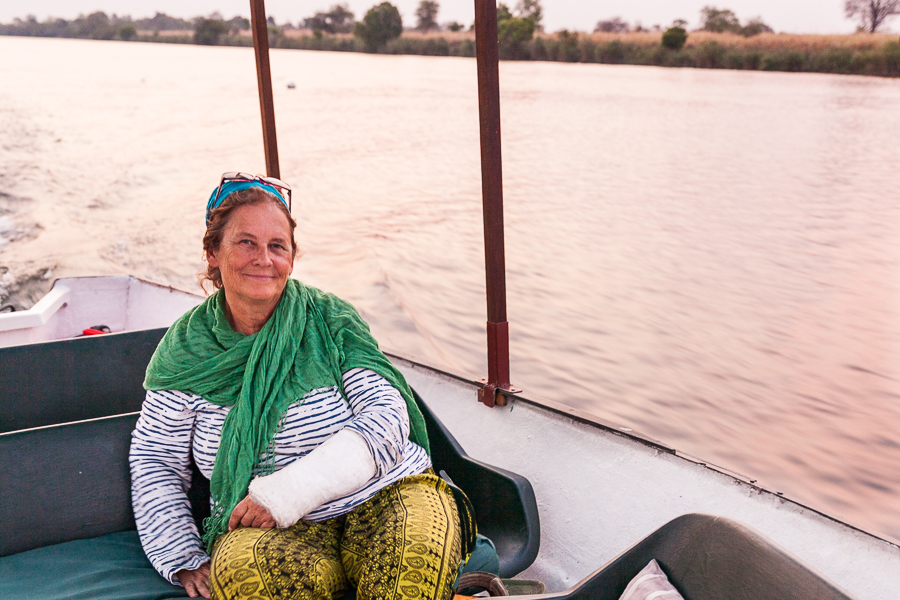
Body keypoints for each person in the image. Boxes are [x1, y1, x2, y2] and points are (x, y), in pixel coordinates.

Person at [130, 173, 463, 600]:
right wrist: (184, 556)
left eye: (276, 246)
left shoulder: (329, 319)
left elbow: (387, 416)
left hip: (387, 493)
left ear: (292, 256)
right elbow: (157, 458)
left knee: (410, 570)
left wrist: (290, 492)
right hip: (262, 527)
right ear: (213, 252)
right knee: (252, 582)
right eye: (245, 242)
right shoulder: (184, 351)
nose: (263, 259)